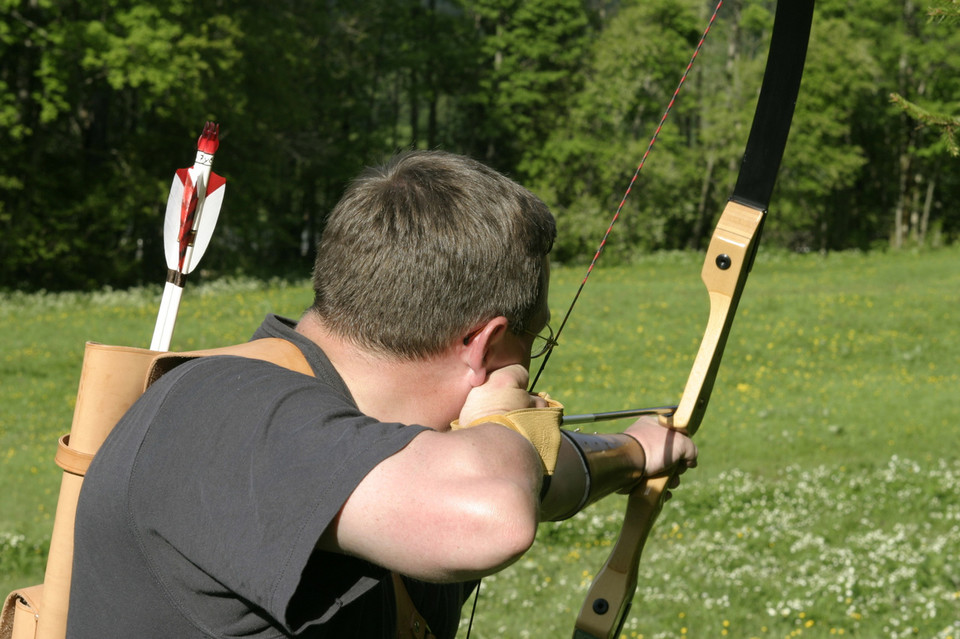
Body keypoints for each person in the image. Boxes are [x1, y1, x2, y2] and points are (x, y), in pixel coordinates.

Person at [68, 150, 697, 638]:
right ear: (483, 344)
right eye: (533, 344)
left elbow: (535, 474)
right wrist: (505, 405)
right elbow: (492, 513)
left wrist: (634, 452)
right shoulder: (225, 415)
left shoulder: (350, 431)